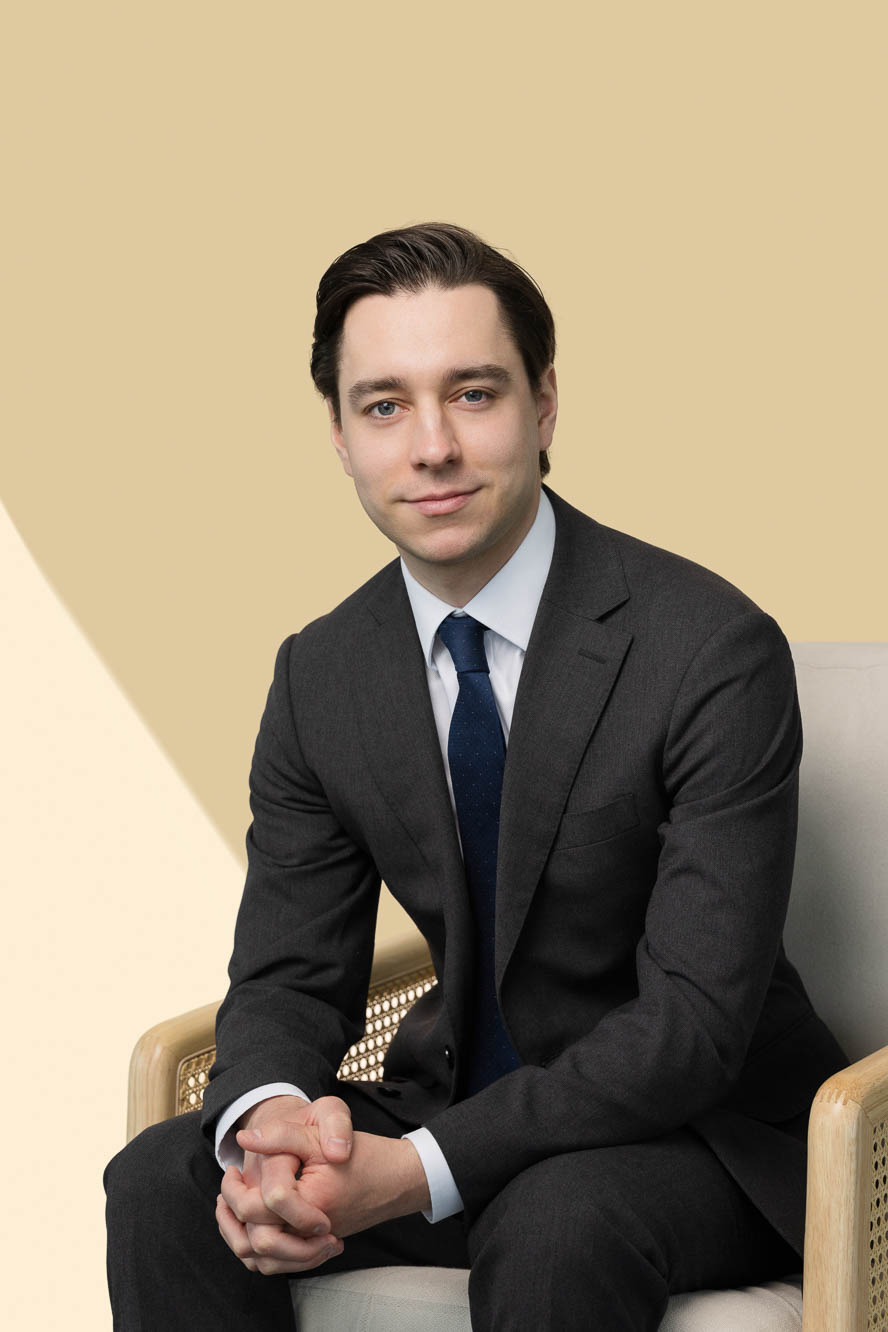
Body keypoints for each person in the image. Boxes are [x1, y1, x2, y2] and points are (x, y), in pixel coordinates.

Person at [105, 221, 847, 1330]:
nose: (433, 447)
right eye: (384, 406)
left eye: (474, 393)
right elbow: (290, 975)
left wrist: (415, 1170)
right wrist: (271, 1125)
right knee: (164, 1185)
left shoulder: (708, 648)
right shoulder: (322, 674)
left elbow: (692, 1025)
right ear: (340, 436)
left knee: (555, 1221)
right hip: (448, 1101)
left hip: (696, 1134)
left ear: (543, 405)